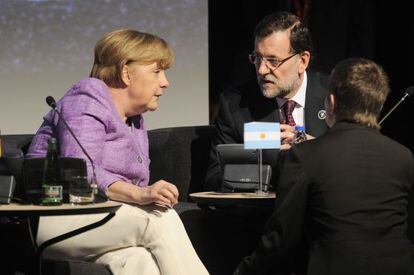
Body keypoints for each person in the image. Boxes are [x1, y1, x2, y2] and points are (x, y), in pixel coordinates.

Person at [26, 29, 208, 275]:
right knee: (160, 220)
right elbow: (82, 173)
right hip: (56, 217)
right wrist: (141, 193)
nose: (165, 82)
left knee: (138, 260)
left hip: (100, 219)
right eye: (156, 71)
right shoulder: (86, 99)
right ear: (125, 72)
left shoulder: (134, 119)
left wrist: (142, 195)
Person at [234, 58, 414, 275]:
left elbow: (280, 241)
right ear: (380, 104)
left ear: (330, 102)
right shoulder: (404, 157)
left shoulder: (305, 156)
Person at [205, 11, 329, 191]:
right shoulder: (234, 104)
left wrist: (316, 150)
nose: (262, 70)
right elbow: (215, 178)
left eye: (273, 60)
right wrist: (263, 178)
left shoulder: (335, 95)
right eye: (257, 58)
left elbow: (360, 163)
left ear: (302, 61)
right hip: (261, 213)